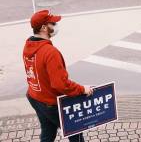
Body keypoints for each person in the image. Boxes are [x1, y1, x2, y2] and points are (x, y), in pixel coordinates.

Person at [23, 9, 93, 142]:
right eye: (52, 23)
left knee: (48, 131)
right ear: (44, 28)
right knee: (75, 132)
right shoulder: (50, 52)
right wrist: (83, 89)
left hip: (34, 96)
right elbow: (60, 84)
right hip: (50, 103)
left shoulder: (29, 45)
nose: (55, 26)